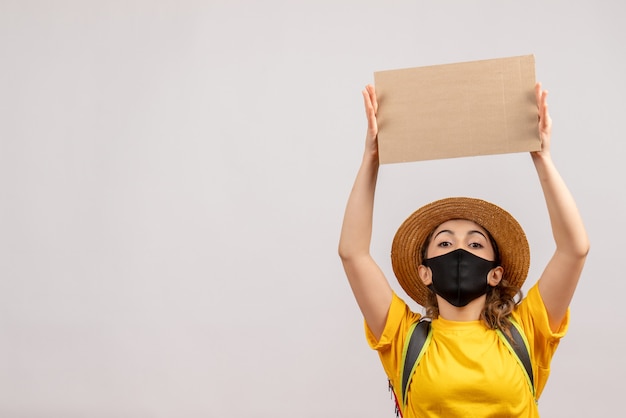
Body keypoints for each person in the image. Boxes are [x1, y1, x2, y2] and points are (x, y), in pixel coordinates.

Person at [338, 83, 589, 417]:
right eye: (444, 243)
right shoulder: (403, 336)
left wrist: (543, 159)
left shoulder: (527, 331)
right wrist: (371, 159)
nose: (459, 250)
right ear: (425, 271)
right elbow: (352, 253)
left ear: (496, 272)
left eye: (474, 243)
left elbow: (574, 249)